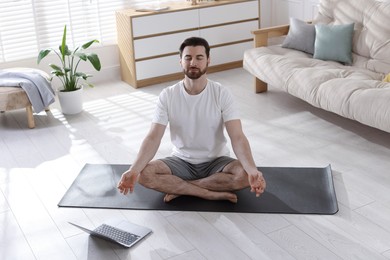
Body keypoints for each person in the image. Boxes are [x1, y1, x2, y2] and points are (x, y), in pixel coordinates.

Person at [117, 37, 266, 203]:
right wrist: (133, 170)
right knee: (143, 175)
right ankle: (206, 193)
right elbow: (153, 137)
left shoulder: (221, 93)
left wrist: (252, 169)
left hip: (217, 161)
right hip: (181, 160)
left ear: (208, 60)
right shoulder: (168, 95)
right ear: (180, 61)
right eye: (188, 58)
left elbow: (237, 137)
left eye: (199, 57)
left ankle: (182, 189)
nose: (193, 62)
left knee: (245, 175)